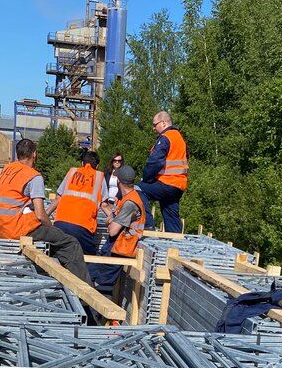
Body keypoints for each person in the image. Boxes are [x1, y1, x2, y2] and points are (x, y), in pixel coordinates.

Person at [0, 139, 90, 282]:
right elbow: (41, 215)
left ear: (17, 154)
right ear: (34, 154)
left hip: (0, 226)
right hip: (17, 228)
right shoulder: (33, 176)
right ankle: (83, 291)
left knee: (53, 241)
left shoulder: (7, 169)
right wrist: (52, 228)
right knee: (70, 243)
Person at [90, 165, 148, 293]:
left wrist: (111, 220)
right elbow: (112, 219)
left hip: (120, 247)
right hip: (115, 245)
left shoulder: (130, 203)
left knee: (103, 284)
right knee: (93, 274)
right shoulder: (127, 198)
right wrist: (112, 219)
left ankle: (101, 305)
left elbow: (112, 231)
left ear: (118, 181)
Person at [46, 150, 109, 255]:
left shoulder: (72, 172)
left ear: (82, 163)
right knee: (89, 259)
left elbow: (58, 198)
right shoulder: (99, 177)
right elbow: (105, 205)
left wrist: (44, 215)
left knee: (60, 256)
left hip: (60, 223)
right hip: (82, 227)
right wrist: (115, 219)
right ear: (97, 166)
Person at [138, 111, 188, 232]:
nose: (153, 128)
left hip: (167, 182)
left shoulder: (166, 137)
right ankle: (175, 239)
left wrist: (146, 179)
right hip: (178, 185)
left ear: (163, 123)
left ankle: (148, 225)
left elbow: (155, 162)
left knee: (137, 189)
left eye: (155, 125)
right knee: (170, 212)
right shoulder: (179, 138)